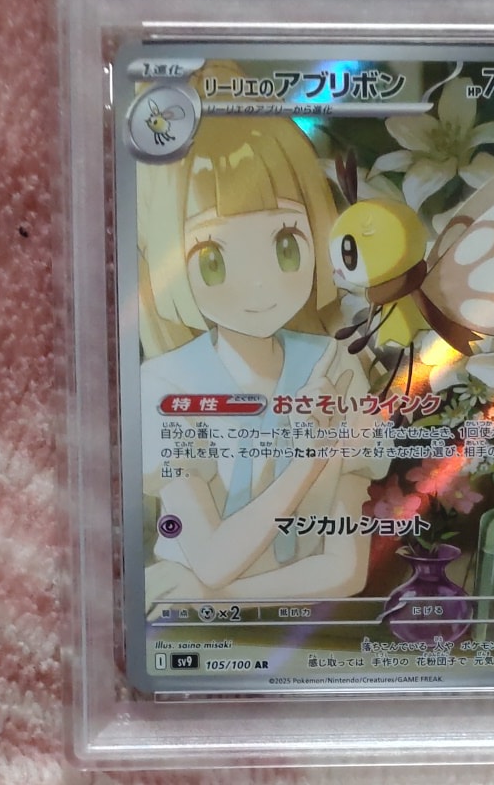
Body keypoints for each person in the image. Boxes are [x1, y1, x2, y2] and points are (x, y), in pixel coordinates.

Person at [137, 63, 387, 611]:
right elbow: (211, 559)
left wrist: (211, 599)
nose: (257, 285)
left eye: (286, 246)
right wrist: (312, 457)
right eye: (213, 258)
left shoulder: (335, 366)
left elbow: (345, 570)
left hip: (288, 629)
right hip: (184, 634)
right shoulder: (166, 384)